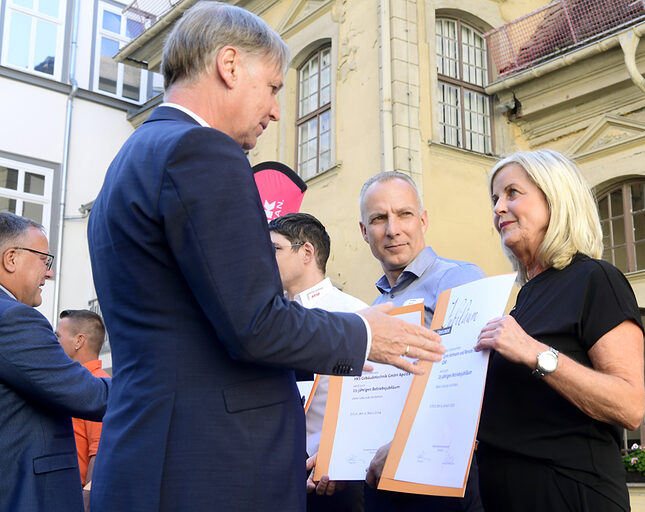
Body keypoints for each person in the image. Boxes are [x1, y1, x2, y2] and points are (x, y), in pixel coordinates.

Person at [86, 3, 442, 511]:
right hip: (211, 466)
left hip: (155, 455)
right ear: (229, 65)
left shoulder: (134, 157)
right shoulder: (203, 151)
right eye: (274, 87)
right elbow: (255, 324)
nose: (277, 109)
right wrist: (365, 334)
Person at [474, 149, 645, 511]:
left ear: (556, 197)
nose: (498, 208)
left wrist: (536, 354)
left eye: (512, 193)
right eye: (495, 199)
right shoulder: (526, 298)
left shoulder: (596, 279)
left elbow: (630, 406)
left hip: (570, 492)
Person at [357, 171, 486, 511]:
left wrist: (404, 445)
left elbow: (466, 382)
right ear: (364, 232)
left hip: (441, 475)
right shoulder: (372, 311)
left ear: (423, 220)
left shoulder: (459, 279)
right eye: (379, 218)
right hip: (381, 478)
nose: (393, 229)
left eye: (404, 214)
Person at [0, 212, 110, 511]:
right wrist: (156, 382)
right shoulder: (13, 318)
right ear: (10, 259)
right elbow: (88, 395)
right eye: (43, 260)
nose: (49, 273)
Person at [268, 212, 366, 512]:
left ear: (307, 252)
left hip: (335, 483)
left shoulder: (355, 316)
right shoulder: (266, 322)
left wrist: (340, 456)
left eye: (273, 249)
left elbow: (372, 406)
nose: (263, 259)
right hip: (274, 480)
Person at [55, 309, 110, 491]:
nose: (53, 344)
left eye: (58, 337)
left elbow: (100, 451)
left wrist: (86, 499)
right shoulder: (74, 385)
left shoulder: (97, 387)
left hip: (78, 494)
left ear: (79, 341)